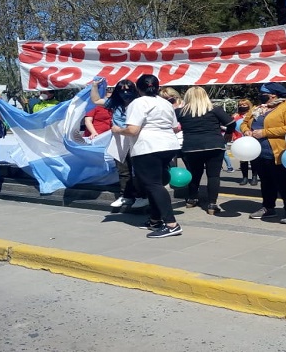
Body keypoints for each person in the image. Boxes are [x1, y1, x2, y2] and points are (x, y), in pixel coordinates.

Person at [111, 74, 182, 238]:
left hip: (148, 147)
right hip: (169, 146)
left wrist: (118, 130)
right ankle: (155, 219)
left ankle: (171, 224)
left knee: (153, 184)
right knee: (155, 183)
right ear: (157, 87)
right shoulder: (165, 103)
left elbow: (132, 130)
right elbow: (175, 127)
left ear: (138, 88)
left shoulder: (137, 103)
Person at [240, 82, 286, 224]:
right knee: (266, 182)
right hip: (258, 152)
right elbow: (244, 122)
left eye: (263, 93)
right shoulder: (257, 108)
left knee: (284, 182)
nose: (260, 95)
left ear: (273, 94)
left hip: (278, 151)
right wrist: (246, 130)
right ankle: (268, 207)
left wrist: (264, 133)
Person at [176, 86, 235, 215]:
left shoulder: (180, 112)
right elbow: (231, 123)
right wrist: (228, 134)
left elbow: (172, 125)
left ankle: (192, 199)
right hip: (214, 145)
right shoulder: (215, 110)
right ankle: (212, 204)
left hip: (191, 147)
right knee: (213, 175)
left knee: (194, 174)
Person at [90, 79, 148, 209]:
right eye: (122, 90)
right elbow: (96, 100)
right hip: (118, 139)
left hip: (135, 137)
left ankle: (141, 196)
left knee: (138, 170)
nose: (125, 93)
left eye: (128, 89)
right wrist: (94, 86)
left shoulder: (139, 103)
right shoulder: (114, 103)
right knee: (123, 169)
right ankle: (126, 196)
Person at [233, 99, 257, 186]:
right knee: (243, 160)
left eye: (244, 105)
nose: (242, 107)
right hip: (240, 140)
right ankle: (245, 177)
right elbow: (233, 127)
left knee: (254, 159)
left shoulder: (253, 115)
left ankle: (254, 177)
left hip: (252, 139)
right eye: (240, 105)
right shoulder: (236, 116)